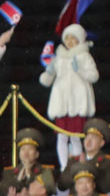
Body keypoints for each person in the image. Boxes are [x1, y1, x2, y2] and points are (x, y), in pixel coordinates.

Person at [40, 26, 100, 171]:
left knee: (75, 137)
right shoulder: (58, 57)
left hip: (78, 103)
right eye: (67, 38)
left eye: (73, 38)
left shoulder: (85, 56)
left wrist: (79, 69)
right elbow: (45, 81)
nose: (69, 41)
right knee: (61, 137)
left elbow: (94, 76)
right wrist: (49, 72)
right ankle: (64, 167)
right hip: (61, 103)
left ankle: (77, 165)